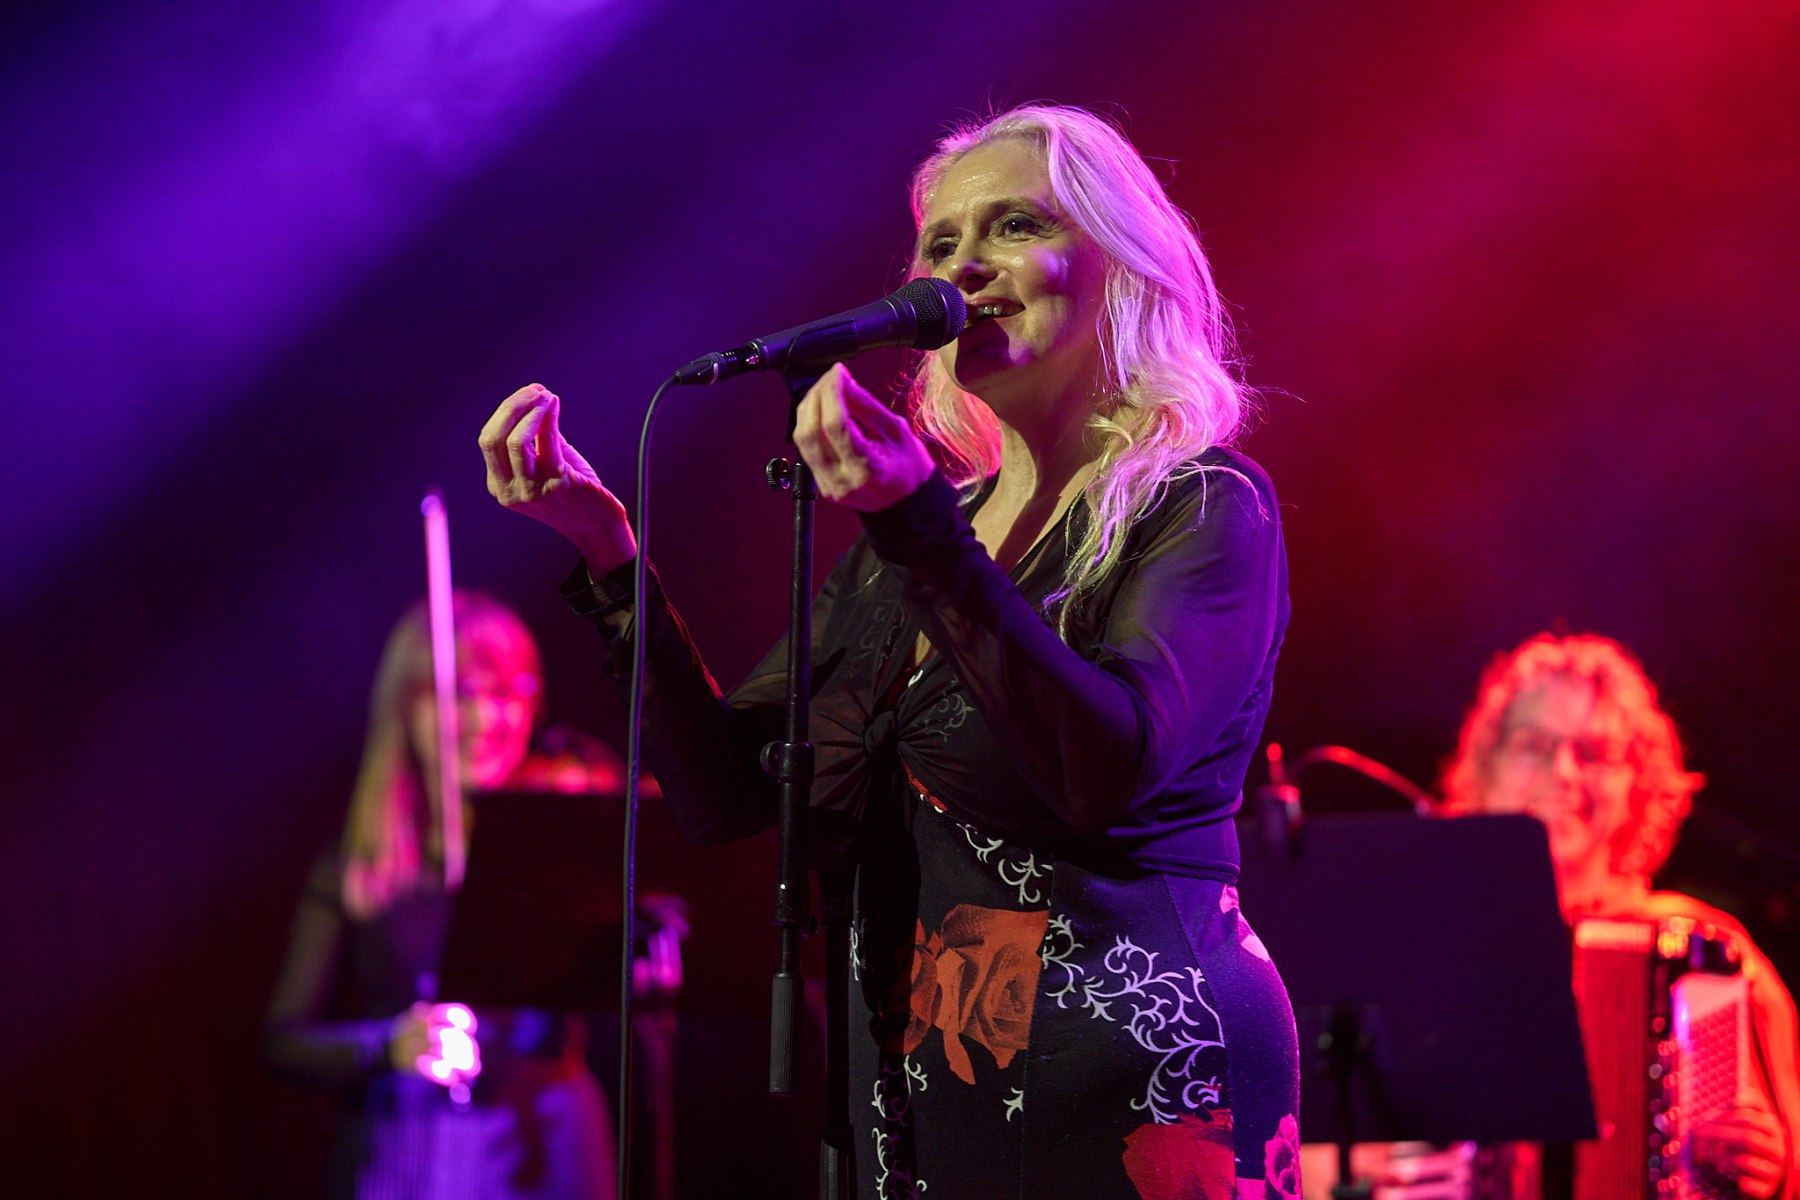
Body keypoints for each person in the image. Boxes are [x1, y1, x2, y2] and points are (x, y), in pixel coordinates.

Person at [480, 103, 1299, 1200]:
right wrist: (609, 556)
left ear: (1122, 262)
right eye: (941, 245)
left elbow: (1105, 769)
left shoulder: (1201, 504)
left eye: (1015, 225)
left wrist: (918, 528)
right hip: (923, 1087)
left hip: (1127, 1077)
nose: (965, 268)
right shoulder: (909, 539)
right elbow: (728, 794)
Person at [264, 591, 616, 1199]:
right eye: (460, 694)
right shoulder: (358, 860)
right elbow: (284, 1040)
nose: (485, 719)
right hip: (409, 1145)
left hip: (550, 1141)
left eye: (510, 694)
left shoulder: (556, 834)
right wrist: (388, 1044)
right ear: (406, 707)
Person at [1443, 633, 1799, 1200]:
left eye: (1595, 753)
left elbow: (1790, 1156)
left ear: (1640, 781)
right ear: (1487, 765)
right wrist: (1373, 1173)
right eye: (1534, 745)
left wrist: (1772, 1169)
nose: (1564, 773)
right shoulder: (1428, 936)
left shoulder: (1707, 950)